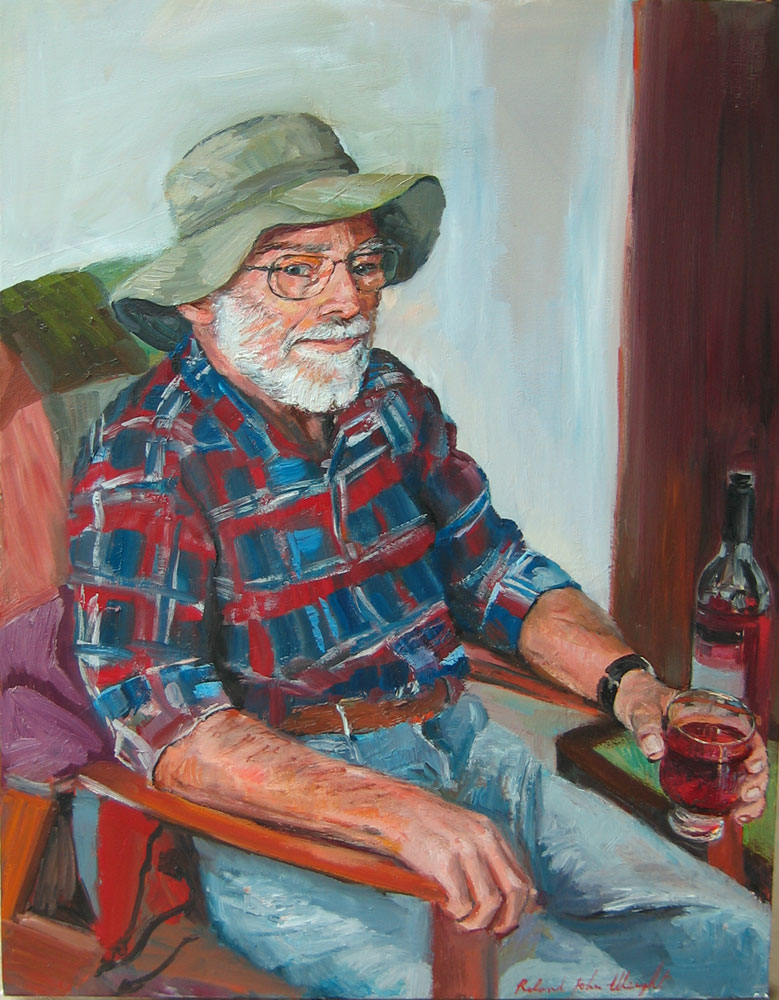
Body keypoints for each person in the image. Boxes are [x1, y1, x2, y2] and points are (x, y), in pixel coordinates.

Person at [68, 114, 770, 999]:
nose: (347, 300)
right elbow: (171, 729)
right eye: (296, 270)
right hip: (300, 826)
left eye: (363, 263)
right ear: (199, 299)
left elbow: (494, 571)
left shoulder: (390, 397)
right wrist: (400, 815)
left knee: (743, 940)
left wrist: (635, 689)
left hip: (468, 754)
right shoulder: (143, 452)